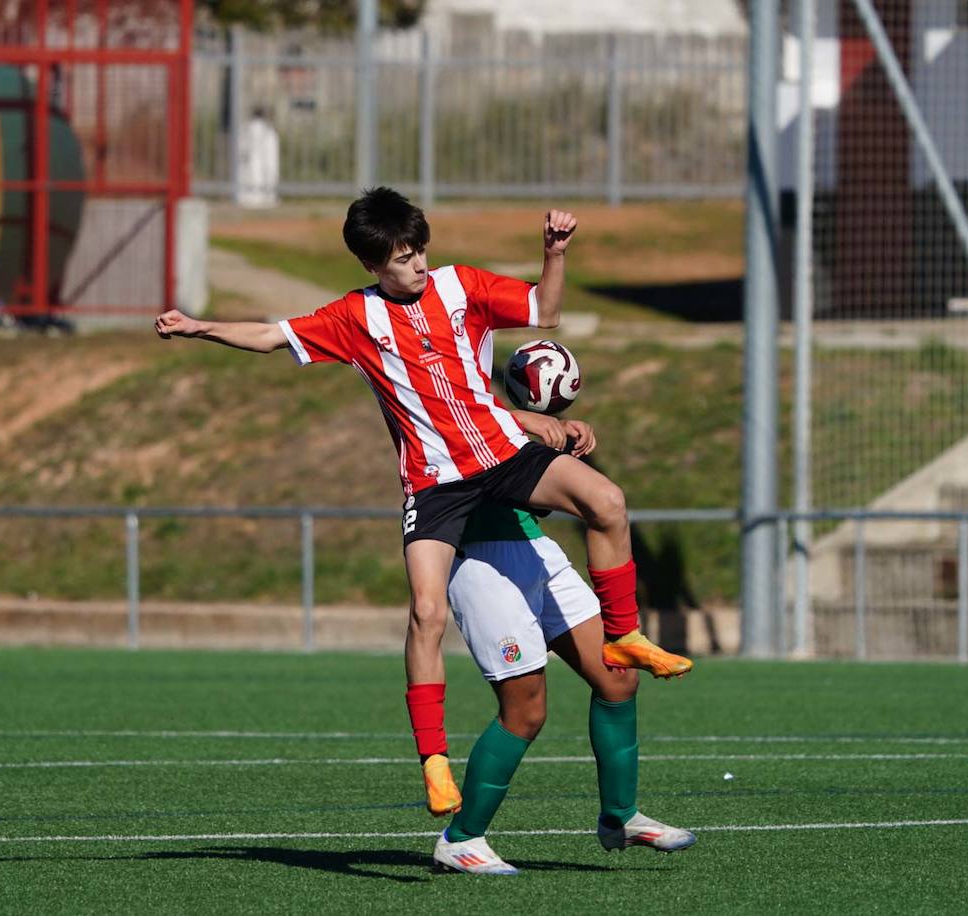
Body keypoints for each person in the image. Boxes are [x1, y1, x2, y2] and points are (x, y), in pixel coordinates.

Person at [155, 187, 692, 814]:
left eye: (419, 252)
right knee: (427, 614)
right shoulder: (355, 318)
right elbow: (270, 336)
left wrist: (554, 252)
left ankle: (625, 634)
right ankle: (435, 763)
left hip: (501, 453)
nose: (416, 266)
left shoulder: (461, 286)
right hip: (436, 483)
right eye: (402, 258)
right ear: (371, 265)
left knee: (606, 500)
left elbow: (543, 310)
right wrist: (200, 327)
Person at [432, 412, 695, 874]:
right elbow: (459, 416)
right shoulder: (421, 374)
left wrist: (550, 444)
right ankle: (461, 838)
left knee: (618, 678)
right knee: (526, 711)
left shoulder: (471, 353)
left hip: (535, 549)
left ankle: (620, 816)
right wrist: (525, 418)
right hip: (482, 561)